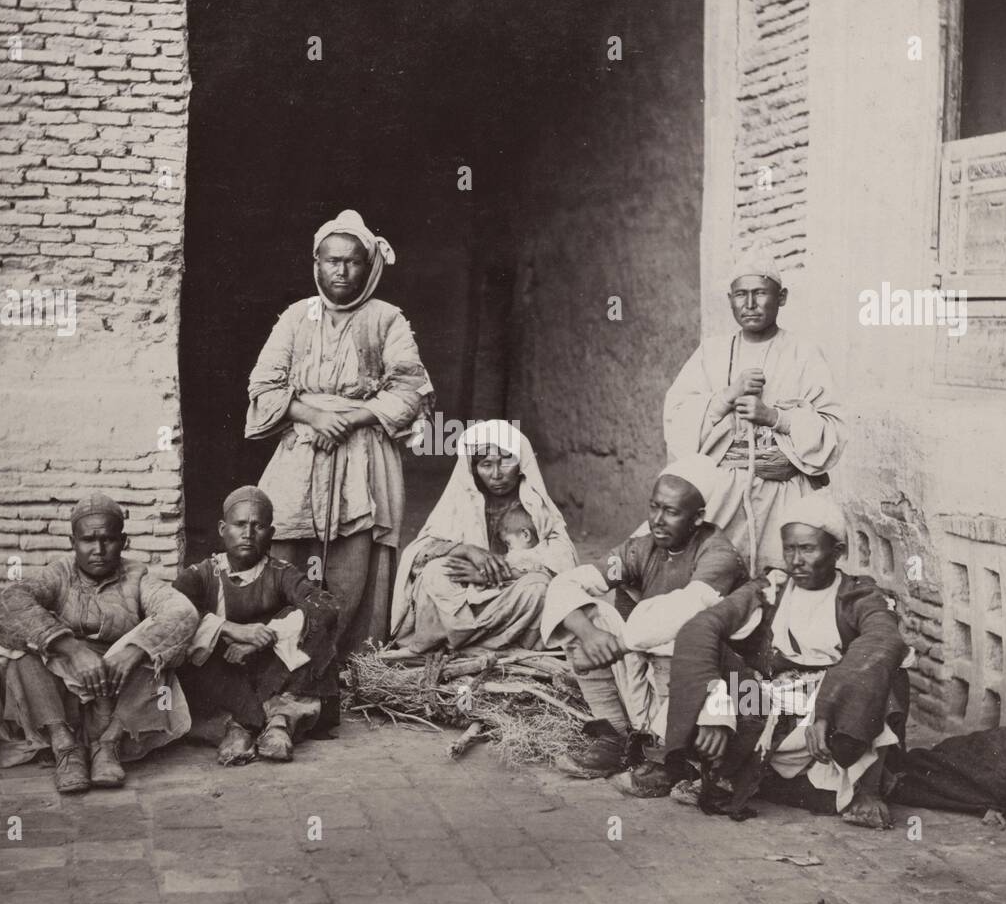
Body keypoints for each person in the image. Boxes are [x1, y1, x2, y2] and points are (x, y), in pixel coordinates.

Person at [246, 209, 433, 678]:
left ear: (367, 266)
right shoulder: (296, 316)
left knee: (355, 551)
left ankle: (346, 665)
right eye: (332, 260)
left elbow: (409, 389)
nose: (341, 271)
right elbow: (264, 385)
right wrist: (313, 414)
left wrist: (350, 418)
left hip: (364, 447)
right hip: (303, 447)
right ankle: (279, 655)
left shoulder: (386, 318)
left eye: (352, 262)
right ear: (316, 263)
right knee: (287, 540)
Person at [661, 492, 910, 829]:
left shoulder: (859, 596)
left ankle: (867, 789)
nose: (796, 561)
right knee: (707, 648)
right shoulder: (770, 589)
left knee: (887, 670)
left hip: (830, 713)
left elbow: (883, 638)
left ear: (837, 552)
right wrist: (715, 708)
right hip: (769, 703)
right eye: (789, 549)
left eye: (808, 549)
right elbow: (703, 626)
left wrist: (826, 707)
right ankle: (731, 768)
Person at [538, 455, 746, 786]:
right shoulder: (642, 548)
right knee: (588, 615)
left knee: (683, 634)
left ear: (698, 518)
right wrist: (589, 634)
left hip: (706, 686)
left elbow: (686, 610)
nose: (657, 520)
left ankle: (669, 757)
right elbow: (567, 583)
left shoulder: (718, 554)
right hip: (649, 673)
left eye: (672, 512)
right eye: (654, 507)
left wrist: (618, 644)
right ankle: (615, 738)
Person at [0, 493, 198, 793]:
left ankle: (108, 745)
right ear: (72, 542)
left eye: (109, 540)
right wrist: (72, 650)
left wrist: (133, 651)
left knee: (160, 652)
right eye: (88, 540)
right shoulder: (59, 574)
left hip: (118, 689)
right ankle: (64, 747)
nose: (99, 550)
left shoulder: (137, 576)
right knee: (15, 652)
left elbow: (181, 612)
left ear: (124, 541)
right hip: (66, 686)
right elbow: (11, 602)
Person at [662, 252, 844, 573]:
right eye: (740, 295)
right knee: (712, 575)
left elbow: (833, 432)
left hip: (785, 495)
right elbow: (677, 422)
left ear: (781, 297)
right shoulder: (711, 353)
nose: (750, 304)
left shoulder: (804, 354)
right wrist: (727, 395)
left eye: (760, 293)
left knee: (781, 582)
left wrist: (775, 417)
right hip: (723, 496)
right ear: (730, 299)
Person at [174, 486, 341, 765]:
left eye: (258, 526)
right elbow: (173, 612)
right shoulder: (201, 574)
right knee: (178, 636)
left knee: (313, 620)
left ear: (271, 534)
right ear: (222, 528)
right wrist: (230, 629)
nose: (248, 534)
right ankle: (235, 727)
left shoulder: (281, 572)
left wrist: (265, 636)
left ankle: (279, 723)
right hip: (223, 676)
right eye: (240, 524)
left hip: (269, 672)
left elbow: (326, 606)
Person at [391, 420, 578, 652]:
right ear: (473, 467)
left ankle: (463, 645)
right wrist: (467, 550)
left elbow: (563, 563)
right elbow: (418, 555)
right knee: (433, 573)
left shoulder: (533, 506)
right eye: (486, 464)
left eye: (506, 461)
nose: (497, 474)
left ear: (521, 462)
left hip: (512, 596)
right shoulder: (461, 501)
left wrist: (497, 575)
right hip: (464, 602)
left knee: (539, 589)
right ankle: (488, 643)